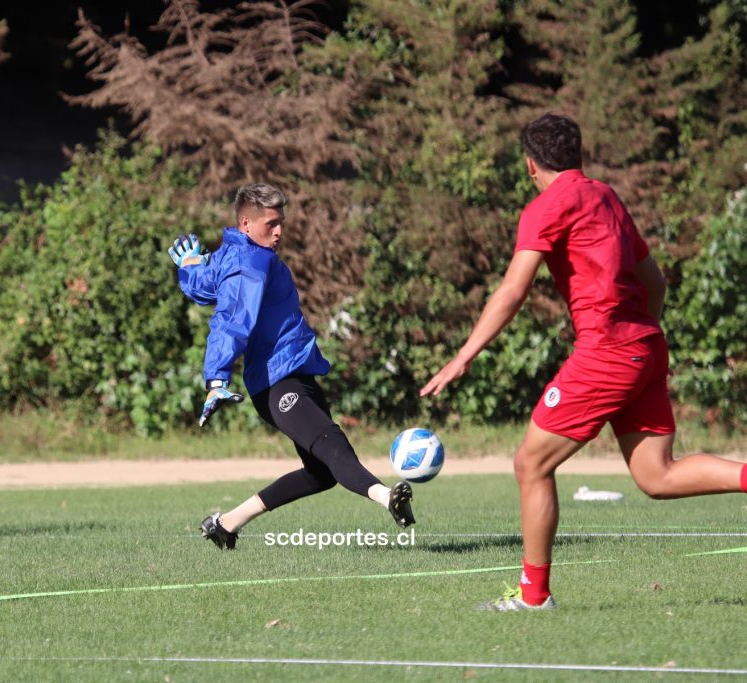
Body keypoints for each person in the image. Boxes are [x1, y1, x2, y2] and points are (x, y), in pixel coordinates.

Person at [420, 113, 747, 610]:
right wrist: (640, 338)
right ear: (577, 155)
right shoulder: (606, 196)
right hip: (645, 345)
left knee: (531, 463)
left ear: (531, 165)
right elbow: (655, 282)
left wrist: (463, 356)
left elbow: (513, 290)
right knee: (656, 476)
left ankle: (533, 597)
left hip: (607, 352)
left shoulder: (545, 207)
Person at [169, 183, 415, 549]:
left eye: (281, 221)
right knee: (332, 446)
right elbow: (231, 321)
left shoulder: (233, 254)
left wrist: (190, 267)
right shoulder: (251, 262)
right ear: (246, 223)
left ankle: (226, 524)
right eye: (271, 223)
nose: (279, 231)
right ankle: (387, 496)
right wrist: (216, 378)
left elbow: (205, 286)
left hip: (294, 375)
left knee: (321, 474)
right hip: (278, 382)